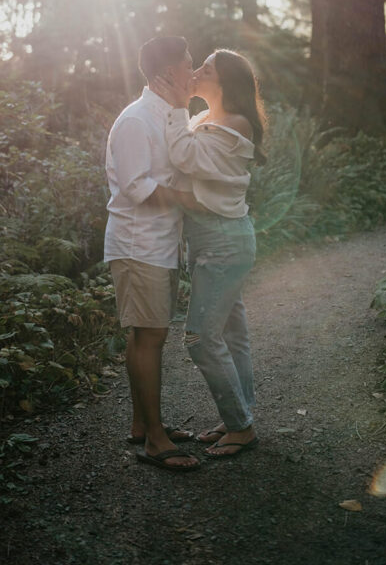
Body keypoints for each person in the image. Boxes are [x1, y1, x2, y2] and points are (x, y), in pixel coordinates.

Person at [155, 48, 266, 459]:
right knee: (232, 333)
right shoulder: (207, 120)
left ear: (225, 83)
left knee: (200, 338)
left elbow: (183, 155)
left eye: (206, 69)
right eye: (197, 65)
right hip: (213, 241)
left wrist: (177, 105)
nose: (196, 72)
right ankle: (240, 415)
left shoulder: (234, 123)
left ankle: (242, 427)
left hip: (225, 243)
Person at [104, 36, 201, 472]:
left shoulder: (166, 115)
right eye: (188, 65)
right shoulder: (136, 120)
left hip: (158, 244)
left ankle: (142, 425)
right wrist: (188, 199)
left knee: (143, 334)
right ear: (166, 75)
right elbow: (136, 186)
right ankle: (156, 442)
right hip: (137, 244)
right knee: (151, 335)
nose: (194, 73)